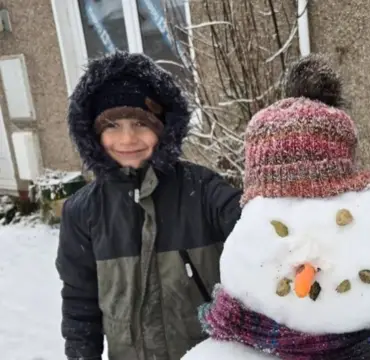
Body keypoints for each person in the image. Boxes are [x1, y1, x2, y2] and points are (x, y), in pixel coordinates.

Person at [55, 51, 242, 360]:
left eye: (141, 123)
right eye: (112, 125)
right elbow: (79, 302)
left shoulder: (203, 190)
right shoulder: (82, 212)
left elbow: (259, 232)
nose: (127, 138)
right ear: (93, 132)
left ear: (163, 127)